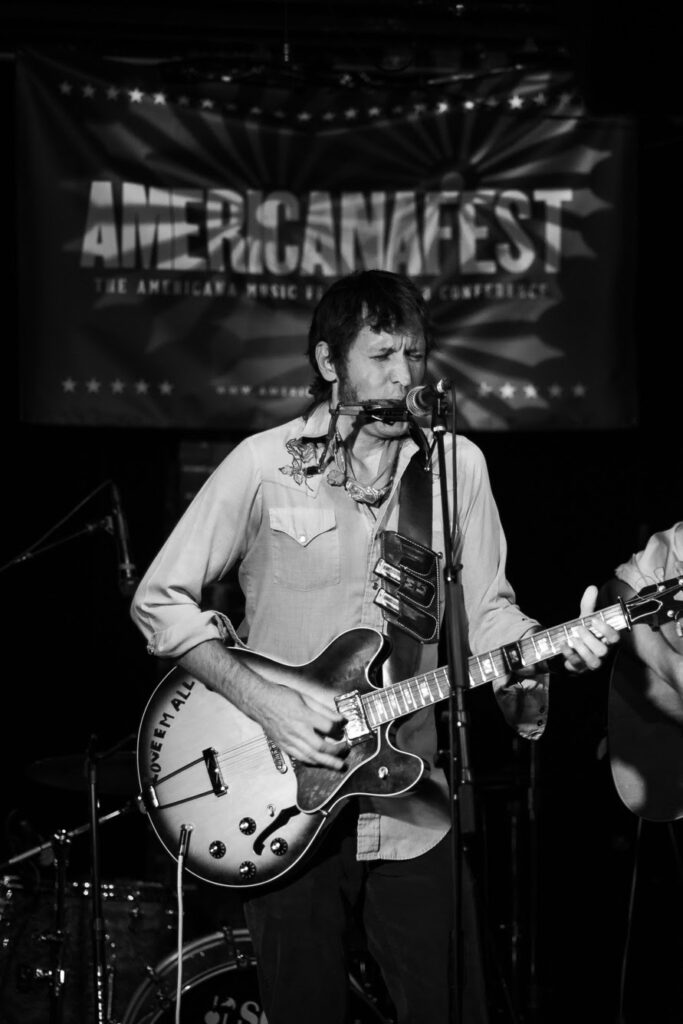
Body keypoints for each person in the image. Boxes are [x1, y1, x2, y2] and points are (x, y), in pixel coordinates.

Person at [130, 269, 619, 1024]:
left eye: (414, 357)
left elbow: (488, 616)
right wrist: (271, 705)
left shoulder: (455, 469)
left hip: (411, 801)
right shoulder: (264, 463)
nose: (403, 377)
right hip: (280, 798)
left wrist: (551, 649)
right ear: (330, 363)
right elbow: (158, 601)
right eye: (382, 356)